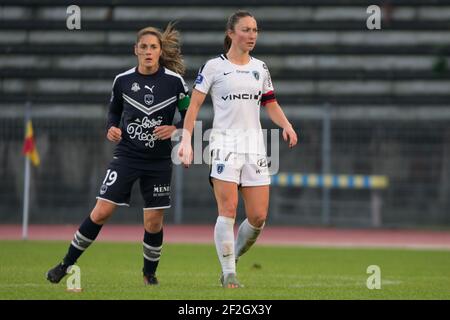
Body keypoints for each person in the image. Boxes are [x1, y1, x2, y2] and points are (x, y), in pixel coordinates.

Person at [46, 23, 190, 286]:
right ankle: (65, 264)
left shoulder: (175, 82)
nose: (148, 51)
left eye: (153, 47)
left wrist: (176, 128)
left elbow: (189, 115)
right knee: (101, 211)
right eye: (144, 47)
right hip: (127, 156)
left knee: (153, 222)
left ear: (160, 51)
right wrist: (111, 128)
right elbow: (113, 112)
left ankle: (149, 275)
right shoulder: (123, 80)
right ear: (135, 50)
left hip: (158, 161)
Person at [178, 10, 298, 288]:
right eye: (246, 29)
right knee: (228, 208)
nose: (252, 35)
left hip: (254, 147)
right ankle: (229, 272)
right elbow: (194, 105)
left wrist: (286, 125)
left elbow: (270, 103)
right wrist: (186, 141)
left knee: (258, 217)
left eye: (255, 30)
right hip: (224, 145)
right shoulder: (213, 67)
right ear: (230, 33)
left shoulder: (261, 68)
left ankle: (231, 259)